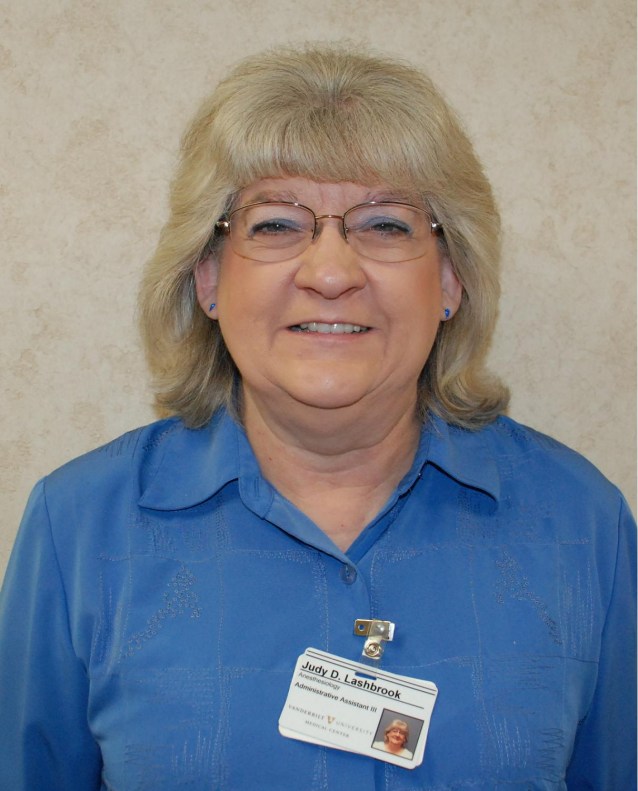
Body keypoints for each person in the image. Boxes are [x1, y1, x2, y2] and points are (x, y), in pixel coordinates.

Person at [0, 43, 635, 790]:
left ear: (451, 279)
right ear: (208, 277)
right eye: (275, 225)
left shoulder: (580, 525)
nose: (331, 273)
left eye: (385, 225)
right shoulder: (79, 531)